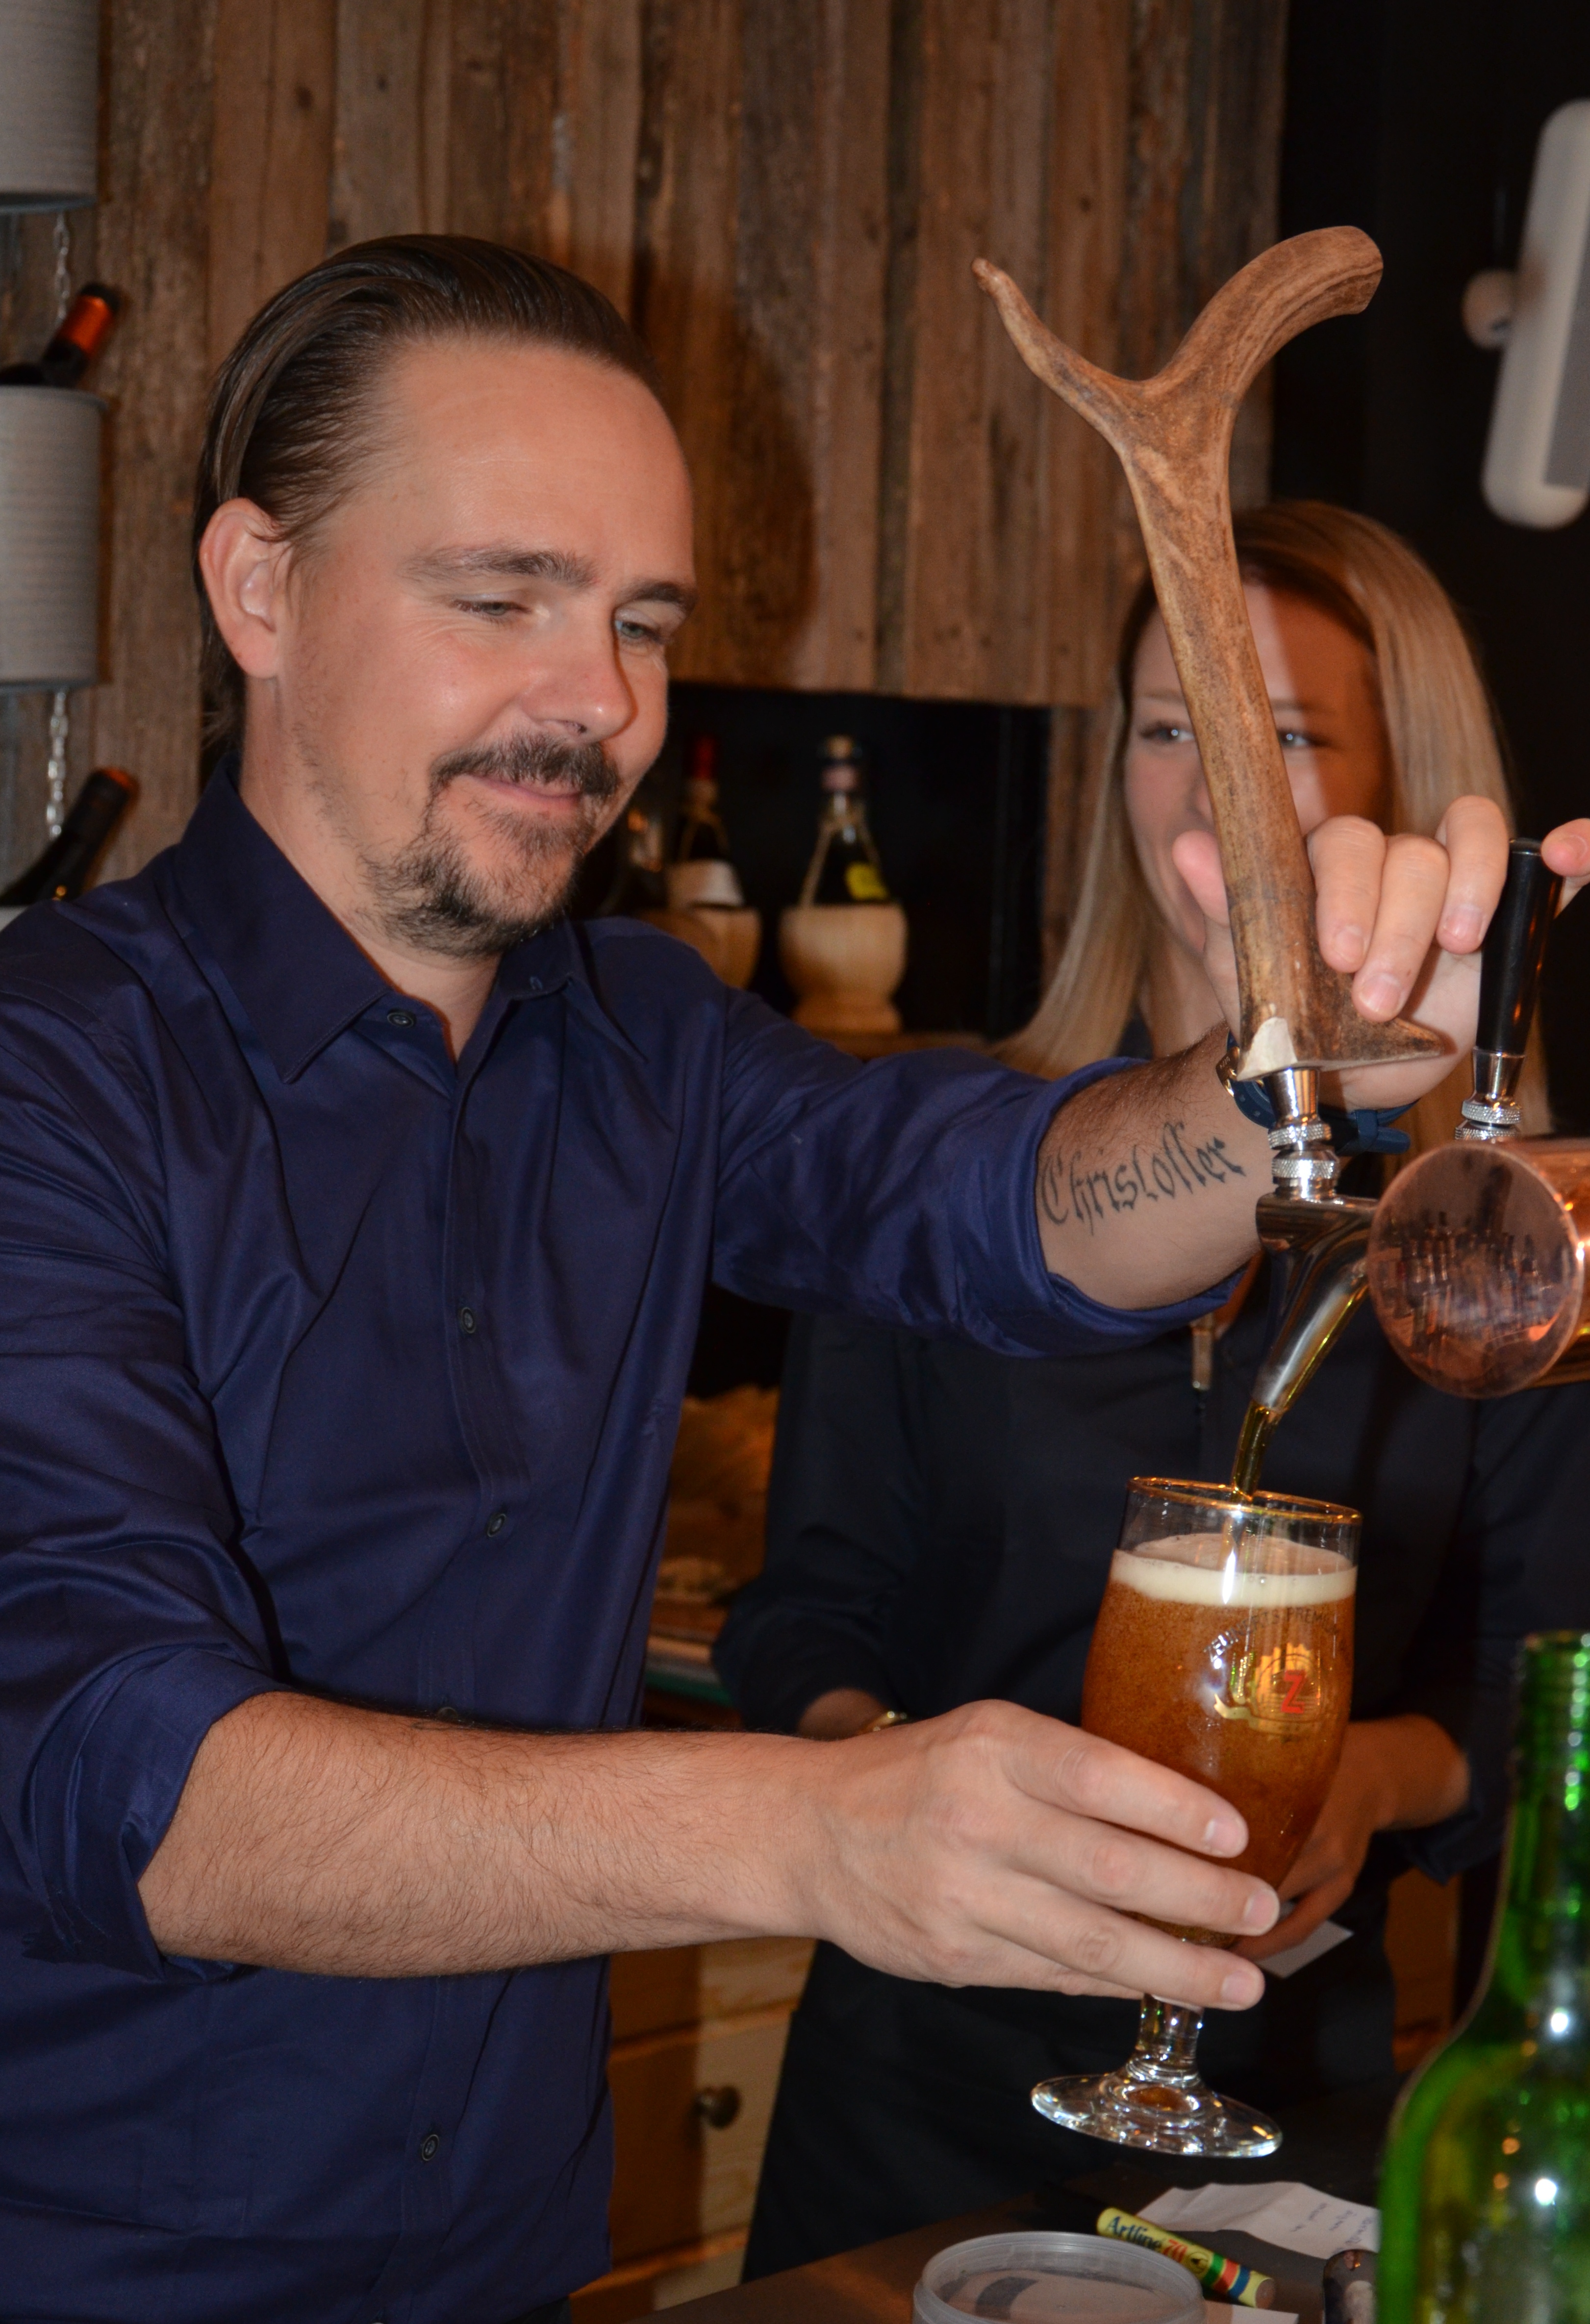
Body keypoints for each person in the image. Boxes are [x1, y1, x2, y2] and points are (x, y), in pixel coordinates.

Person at [0, 233, 1580, 2324]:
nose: (600, 700)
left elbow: (1003, 1202)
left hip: (508, 2267)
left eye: (642, 623)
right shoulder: (50, 1073)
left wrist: (1307, 1069)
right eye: (503, 597)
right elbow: (125, 1782)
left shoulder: (644, 1044)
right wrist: (814, 1829)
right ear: (257, 590)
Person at [717, 500, 1590, 2275]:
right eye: (1169, 726)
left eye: (1285, 737)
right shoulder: (963, 1171)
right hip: (915, 2067)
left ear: (1405, 787)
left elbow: (1534, 1676)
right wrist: (898, 1793)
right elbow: (807, 1614)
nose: (1213, 795)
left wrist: (1368, 1780)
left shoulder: (1487, 1242)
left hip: (1283, 2087)